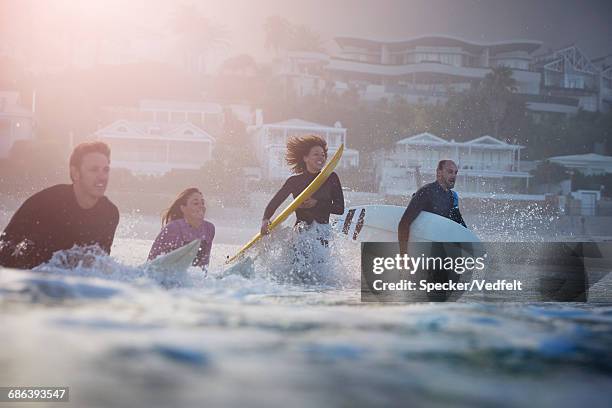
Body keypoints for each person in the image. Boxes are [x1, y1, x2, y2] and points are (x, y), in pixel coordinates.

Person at [0, 141, 119, 269]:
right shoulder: (45, 203)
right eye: (94, 170)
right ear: (75, 173)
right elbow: (5, 244)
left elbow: (98, 265)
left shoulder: (109, 214)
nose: (102, 177)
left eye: (105, 170)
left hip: (70, 282)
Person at [260, 135, 344, 238]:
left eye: (323, 155)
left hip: (322, 236)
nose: (321, 158)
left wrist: (316, 203)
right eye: (316, 154)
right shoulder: (294, 181)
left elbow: (340, 209)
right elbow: (276, 201)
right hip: (300, 236)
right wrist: (266, 219)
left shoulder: (331, 178)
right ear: (305, 158)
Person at [398, 159, 466, 254]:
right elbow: (404, 224)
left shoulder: (452, 197)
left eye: (455, 173)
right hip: (422, 250)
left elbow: (460, 226)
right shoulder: (426, 192)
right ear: (439, 172)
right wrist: (403, 255)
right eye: (450, 172)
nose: (454, 176)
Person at [148, 188, 215, 269]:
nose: (201, 206)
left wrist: (203, 280)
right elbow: (152, 261)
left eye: (202, 203)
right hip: (157, 274)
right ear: (183, 208)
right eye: (196, 203)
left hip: (188, 277)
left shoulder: (209, 229)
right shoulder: (174, 228)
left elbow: (204, 263)